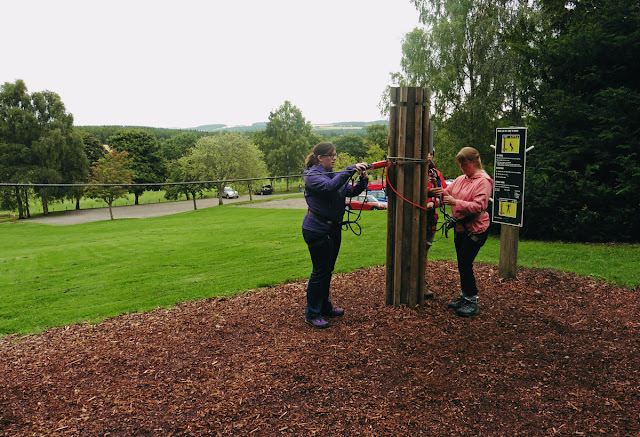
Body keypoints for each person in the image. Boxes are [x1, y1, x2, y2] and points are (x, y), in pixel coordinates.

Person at [302, 142, 369, 329]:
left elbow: (349, 190)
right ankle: (312, 313)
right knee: (320, 272)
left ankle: (324, 306)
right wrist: (349, 170)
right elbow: (330, 187)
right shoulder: (312, 177)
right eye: (330, 155)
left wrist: (362, 180)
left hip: (332, 229)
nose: (334, 158)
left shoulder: (332, 175)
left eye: (335, 155)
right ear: (319, 157)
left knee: (327, 271)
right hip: (317, 230)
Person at [432, 147, 493, 317]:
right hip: (460, 228)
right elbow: (448, 193)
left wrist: (455, 202)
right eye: (460, 165)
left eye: (464, 164)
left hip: (476, 229)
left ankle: (472, 302)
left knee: (465, 264)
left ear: (474, 162)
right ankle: (465, 296)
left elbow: (479, 206)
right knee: (462, 264)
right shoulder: (461, 179)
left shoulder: (483, 181)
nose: (462, 168)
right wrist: (438, 192)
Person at [424, 150, 447, 299]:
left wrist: (433, 202)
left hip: (429, 219)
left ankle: (420, 282)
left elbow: (443, 194)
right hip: (410, 218)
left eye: (431, 152)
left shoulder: (435, 173)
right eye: (425, 152)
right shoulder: (410, 172)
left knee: (423, 251)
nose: (428, 155)